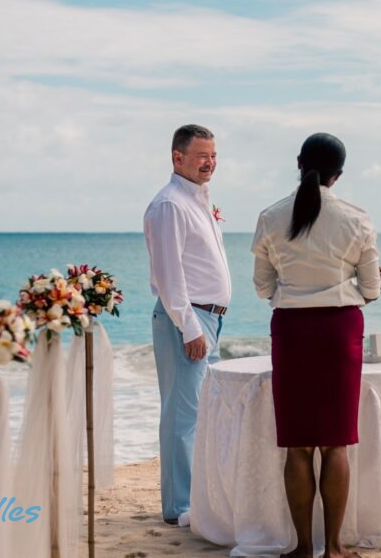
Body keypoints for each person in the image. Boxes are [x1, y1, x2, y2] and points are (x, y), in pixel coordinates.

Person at [252, 133, 381, 558]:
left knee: (298, 443)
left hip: (291, 331)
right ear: (338, 174)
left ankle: (304, 547)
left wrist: (294, 294)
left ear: (298, 163)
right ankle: (336, 548)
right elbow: (372, 288)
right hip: (339, 330)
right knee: (335, 442)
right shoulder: (356, 218)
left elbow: (262, 286)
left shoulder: (271, 216)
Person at [143, 124, 231, 526]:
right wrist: (190, 326)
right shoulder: (170, 205)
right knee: (182, 415)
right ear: (177, 157)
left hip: (209, 317)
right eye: (201, 155)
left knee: (198, 412)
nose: (209, 162)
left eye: (212, 155)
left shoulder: (197, 200)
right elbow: (168, 273)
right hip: (189, 319)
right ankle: (179, 508)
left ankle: (192, 499)